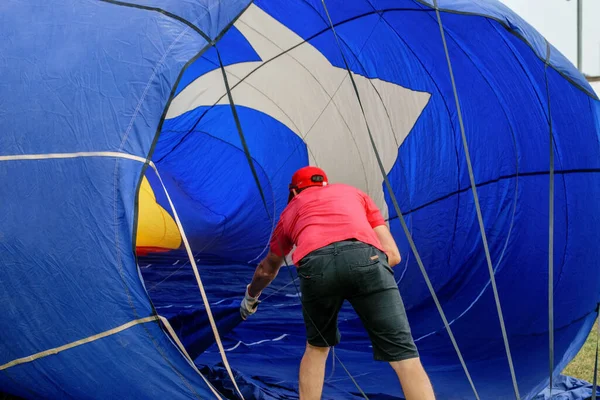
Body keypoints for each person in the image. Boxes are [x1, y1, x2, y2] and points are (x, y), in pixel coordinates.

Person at [240, 166, 435, 400]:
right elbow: (393, 255)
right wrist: (365, 267)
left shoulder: (291, 210)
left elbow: (266, 269)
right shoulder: (354, 194)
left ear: (293, 191)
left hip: (316, 265)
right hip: (368, 257)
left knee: (317, 347)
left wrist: (250, 297)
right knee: (405, 357)